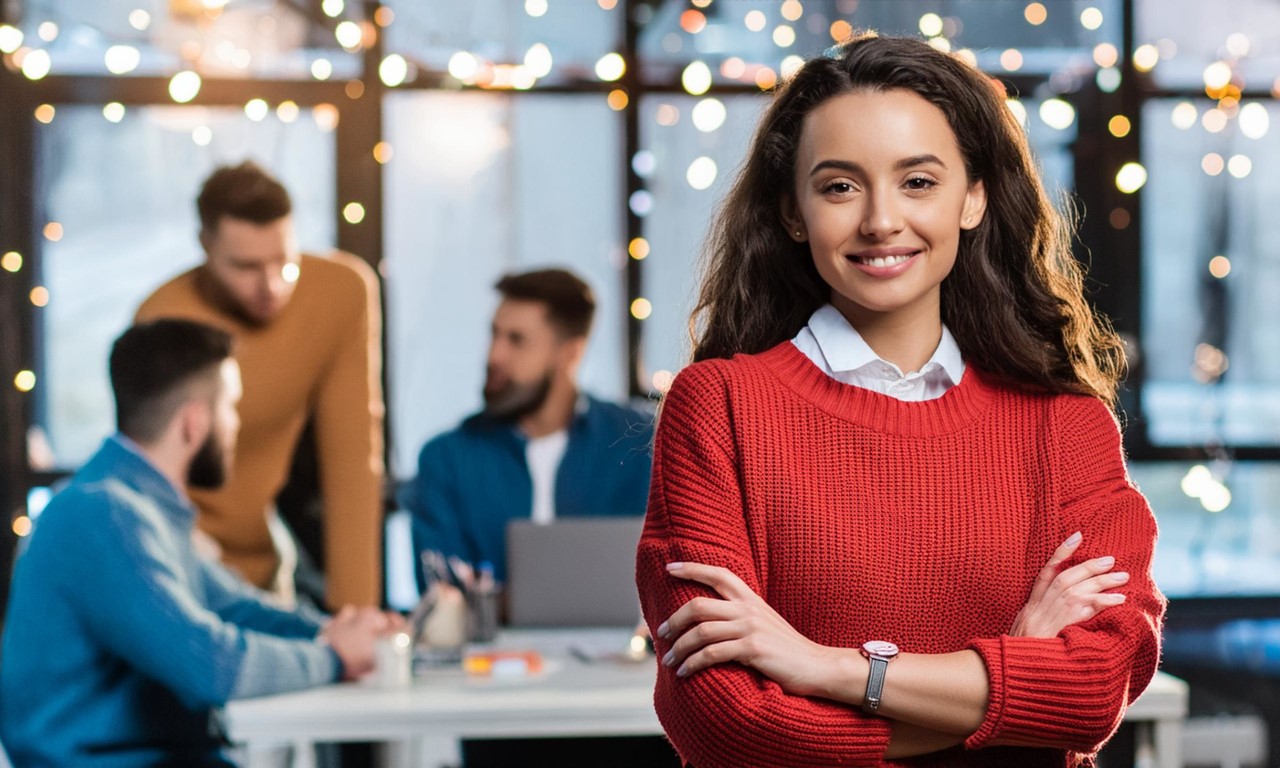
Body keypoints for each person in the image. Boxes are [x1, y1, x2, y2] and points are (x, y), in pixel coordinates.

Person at [635, 34, 1166, 767]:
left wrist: (824, 667)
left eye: (918, 181)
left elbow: (1093, 688)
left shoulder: (1064, 426)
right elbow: (727, 723)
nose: (881, 220)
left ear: (973, 196)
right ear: (794, 212)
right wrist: (1010, 682)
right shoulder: (719, 407)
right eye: (839, 186)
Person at [0, 319, 399, 768]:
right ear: (194, 422)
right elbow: (210, 666)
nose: (236, 425)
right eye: (231, 407)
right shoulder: (105, 514)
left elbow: (235, 608)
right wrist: (332, 657)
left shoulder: (133, 504)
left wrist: (333, 631)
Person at [136, 161, 383, 610]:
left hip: (268, 567)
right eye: (246, 266)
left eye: (283, 262)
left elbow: (352, 464)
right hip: (182, 568)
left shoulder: (340, 293)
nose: (271, 285)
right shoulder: (164, 317)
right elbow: (150, 478)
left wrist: (359, 615)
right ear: (205, 247)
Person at [409, 268, 653, 584]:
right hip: (488, 636)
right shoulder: (445, 458)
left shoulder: (639, 441)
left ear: (570, 353)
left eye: (516, 340)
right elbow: (440, 593)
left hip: (621, 635)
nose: (494, 355)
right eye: (494, 334)